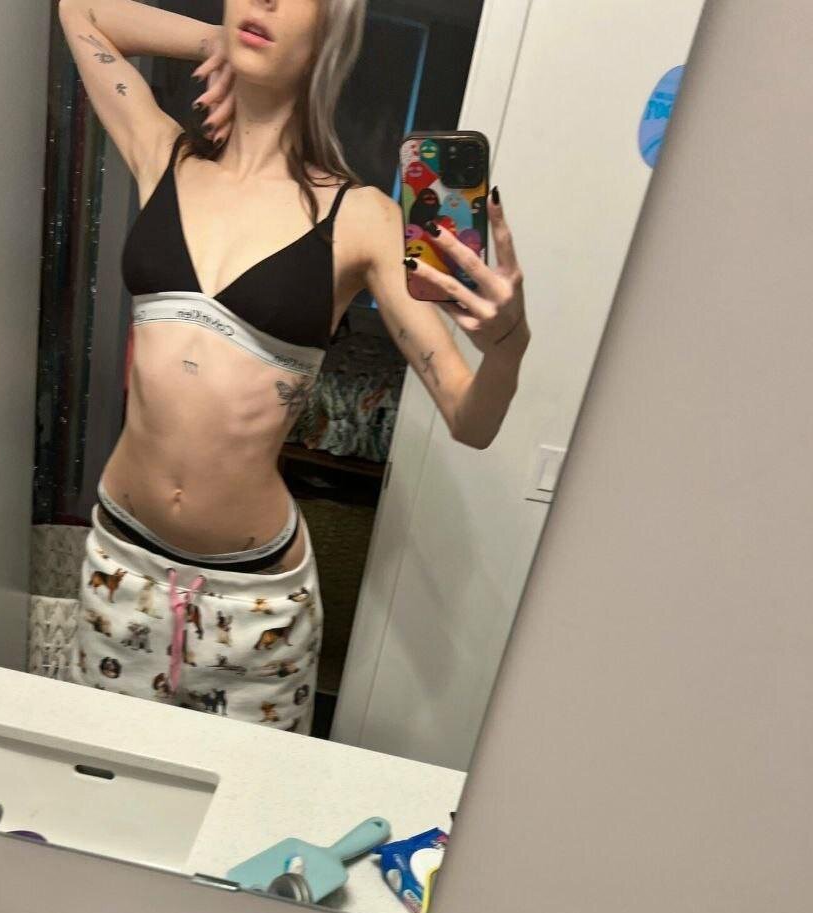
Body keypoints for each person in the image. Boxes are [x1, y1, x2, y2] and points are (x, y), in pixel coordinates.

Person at [59, 0, 529, 734]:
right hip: (120, 566)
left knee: (245, 800)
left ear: (329, 36)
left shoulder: (362, 218)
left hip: (254, 607)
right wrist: (213, 41)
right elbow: (81, 11)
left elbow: (471, 421)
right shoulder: (162, 156)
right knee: (94, 776)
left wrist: (508, 345)